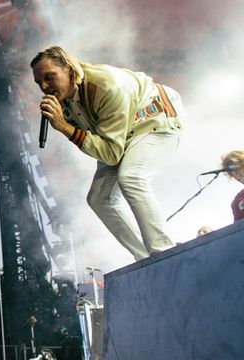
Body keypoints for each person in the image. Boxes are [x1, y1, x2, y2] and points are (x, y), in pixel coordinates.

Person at [30, 45, 185, 260]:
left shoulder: (107, 85)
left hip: (154, 118)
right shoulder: (64, 100)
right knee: (99, 199)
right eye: (39, 82)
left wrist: (65, 127)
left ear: (69, 69)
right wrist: (66, 124)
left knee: (131, 177)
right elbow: (103, 145)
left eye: (50, 77)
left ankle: (165, 253)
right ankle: (144, 258)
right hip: (122, 135)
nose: (45, 86)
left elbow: (111, 154)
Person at [221, 150, 244, 222]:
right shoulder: (237, 199)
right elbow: (238, 228)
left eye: (236, 169)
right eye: (231, 172)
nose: (236, 175)